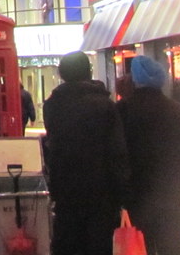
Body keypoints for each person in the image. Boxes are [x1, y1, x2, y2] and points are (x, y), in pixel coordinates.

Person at [43, 51, 129, 255]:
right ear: (88, 72)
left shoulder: (52, 105)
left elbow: (53, 146)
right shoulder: (104, 105)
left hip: (66, 190)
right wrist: (123, 194)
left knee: (69, 244)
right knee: (98, 245)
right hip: (101, 191)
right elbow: (117, 152)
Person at [117, 55, 180, 255]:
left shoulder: (123, 111)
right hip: (172, 196)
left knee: (141, 248)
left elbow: (117, 154)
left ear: (135, 79)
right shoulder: (178, 111)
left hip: (137, 198)